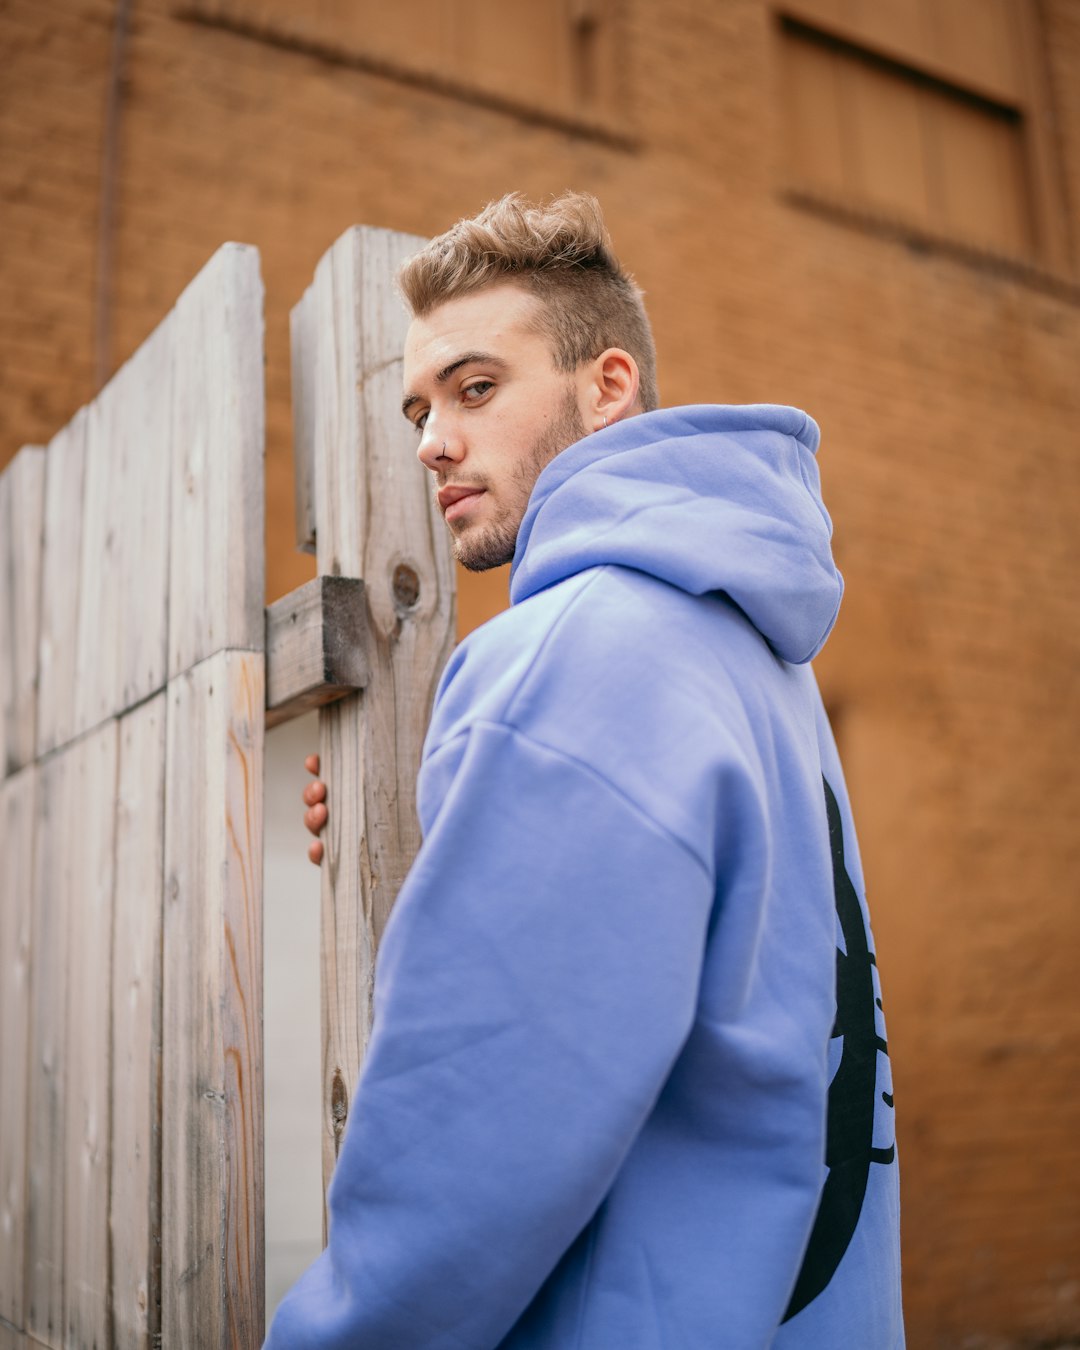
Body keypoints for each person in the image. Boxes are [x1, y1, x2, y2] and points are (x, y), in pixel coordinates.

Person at [265, 192, 903, 1349]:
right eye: (419, 407)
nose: (431, 441)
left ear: (606, 385)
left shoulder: (576, 652)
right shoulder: (753, 651)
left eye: (475, 388)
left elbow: (472, 1147)